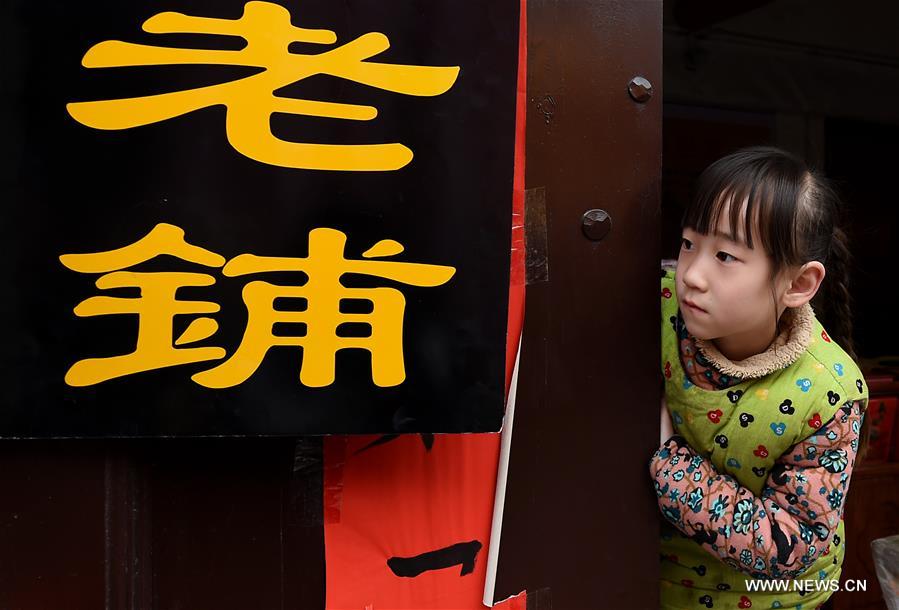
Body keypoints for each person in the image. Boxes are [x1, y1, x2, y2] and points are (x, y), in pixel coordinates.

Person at [649, 146, 870, 609]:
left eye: (726, 255)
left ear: (798, 284)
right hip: (659, 581)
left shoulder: (830, 392)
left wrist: (671, 464)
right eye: (689, 243)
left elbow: (791, 540)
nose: (693, 275)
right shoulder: (659, 303)